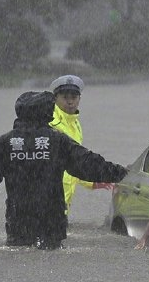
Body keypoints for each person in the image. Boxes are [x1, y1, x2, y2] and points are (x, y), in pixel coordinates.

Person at [0, 91, 128, 250]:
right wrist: (124, 174)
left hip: (18, 220)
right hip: (52, 220)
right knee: (51, 258)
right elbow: (89, 164)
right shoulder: (57, 141)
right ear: (47, 112)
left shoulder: (6, 142)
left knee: (20, 256)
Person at [49, 75, 112, 214]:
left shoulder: (75, 124)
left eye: (74, 97)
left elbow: (75, 162)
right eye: (65, 97)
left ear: (79, 99)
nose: (70, 102)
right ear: (55, 98)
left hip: (62, 202)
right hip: (49, 200)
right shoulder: (50, 123)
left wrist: (92, 181)